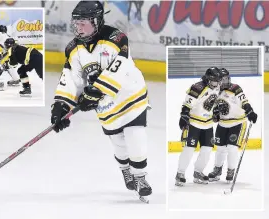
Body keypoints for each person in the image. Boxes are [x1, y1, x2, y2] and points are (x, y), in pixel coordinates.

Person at [50, 1, 151, 198]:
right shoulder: (73, 49)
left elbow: (121, 66)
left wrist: (96, 91)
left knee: (135, 135)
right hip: (107, 106)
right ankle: (125, 170)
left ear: (97, 22)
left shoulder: (116, 38)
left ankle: (140, 176)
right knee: (119, 143)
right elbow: (71, 78)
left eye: (84, 23)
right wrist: (61, 105)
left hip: (131, 96)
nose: (79, 28)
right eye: (76, 24)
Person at [208, 68, 257, 182]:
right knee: (220, 148)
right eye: (223, 79)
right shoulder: (214, 90)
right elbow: (211, 107)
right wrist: (214, 113)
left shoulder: (235, 88)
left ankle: (231, 170)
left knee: (232, 148)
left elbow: (244, 101)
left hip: (237, 122)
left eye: (227, 78)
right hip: (223, 124)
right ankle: (217, 169)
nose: (226, 81)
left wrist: (250, 111)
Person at [175, 67, 222, 186]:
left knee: (207, 149)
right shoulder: (197, 87)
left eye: (218, 81)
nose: (217, 83)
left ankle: (198, 172)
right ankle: (180, 173)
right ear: (208, 79)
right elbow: (187, 104)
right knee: (189, 149)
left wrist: (216, 112)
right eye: (215, 81)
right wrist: (184, 115)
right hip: (194, 123)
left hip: (208, 124)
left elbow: (213, 103)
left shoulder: (217, 88)